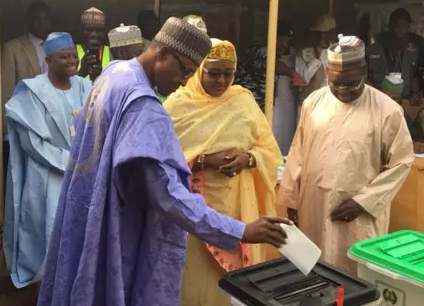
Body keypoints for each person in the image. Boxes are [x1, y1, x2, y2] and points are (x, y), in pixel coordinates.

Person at [37, 17, 291, 306]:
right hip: (118, 222)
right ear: (162, 54)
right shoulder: (144, 107)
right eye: (184, 71)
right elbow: (166, 195)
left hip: (85, 208)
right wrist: (241, 230)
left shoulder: (115, 73)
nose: (184, 81)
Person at [277, 35, 414, 274]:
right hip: (313, 209)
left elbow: (401, 163)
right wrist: (291, 200)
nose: (342, 90)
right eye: (335, 82)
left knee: (355, 278)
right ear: (328, 72)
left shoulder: (387, 110)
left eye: (350, 83)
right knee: (313, 273)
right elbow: (298, 152)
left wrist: (362, 203)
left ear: (364, 71)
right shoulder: (314, 103)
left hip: (357, 217)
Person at [163, 39, 283, 306]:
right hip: (194, 210)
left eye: (228, 73)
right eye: (214, 73)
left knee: (236, 286)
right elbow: (162, 159)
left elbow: (269, 149)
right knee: (197, 276)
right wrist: (204, 160)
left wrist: (249, 158)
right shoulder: (177, 105)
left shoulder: (243, 100)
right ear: (199, 70)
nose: (221, 80)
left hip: (240, 204)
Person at [4, 32, 92, 289]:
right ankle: (48, 282)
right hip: (47, 174)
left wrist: (87, 161)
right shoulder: (31, 91)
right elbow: (32, 143)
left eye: (74, 56)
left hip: (84, 172)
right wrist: (70, 161)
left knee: (80, 230)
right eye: (64, 57)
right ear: (49, 60)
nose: (72, 61)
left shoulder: (86, 87)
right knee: (49, 229)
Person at [237, 20, 305, 155]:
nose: (283, 45)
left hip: (261, 109)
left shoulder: (282, 55)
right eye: (279, 41)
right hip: (245, 107)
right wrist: (293, 74)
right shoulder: (259, 50)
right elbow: (272, 63)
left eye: (286, 42)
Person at [2, 1, 53, 154]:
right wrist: (6, 132)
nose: (41, 23)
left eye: (45, 19)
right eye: (37, 19)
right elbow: (6, 91)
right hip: (25, 123)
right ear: (29, 20)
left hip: (53, 121)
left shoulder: (58, 45)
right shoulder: (12, 48)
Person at [366, 8, 424, 103]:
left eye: (404, 26)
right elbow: (365, 78)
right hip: (378, 100)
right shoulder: (373, 48)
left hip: (403, 100)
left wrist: (415, 94)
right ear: (390, 25)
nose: (401, 29)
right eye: (397, 25)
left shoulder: (413, 50)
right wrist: (377, 95)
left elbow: (414, 76)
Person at [77, 7, 111, 81]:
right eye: (89, 30)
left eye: (99, 30)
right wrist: (82, 73)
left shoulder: (112, 54)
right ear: (81, 30)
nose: (94, 34)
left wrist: (101, 76)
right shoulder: (70, 53)